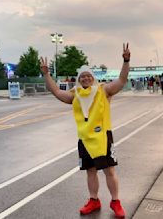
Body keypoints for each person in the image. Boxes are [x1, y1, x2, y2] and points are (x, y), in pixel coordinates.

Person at [40, 43, 130, 218]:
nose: (85, 79)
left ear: (93, 78)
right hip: (85, 139)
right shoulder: (76, 94)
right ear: (79, 79)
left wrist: (126, 61)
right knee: (90, 172)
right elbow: (57, 92)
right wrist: (46, 74)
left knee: (109, 171)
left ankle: (115, 201)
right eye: (82, 77)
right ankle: (94, 200)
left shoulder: (104, 90)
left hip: (103, 138)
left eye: (88, 76)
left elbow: (122, 81)